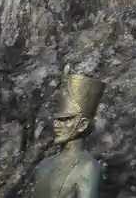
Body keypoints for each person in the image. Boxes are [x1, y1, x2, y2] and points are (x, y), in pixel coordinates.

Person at [33, 70, 106, 198]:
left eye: (66, 120)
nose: (57, 125)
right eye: (57, 120)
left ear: (82, 124)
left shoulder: (87, 167)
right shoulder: (44, 164)